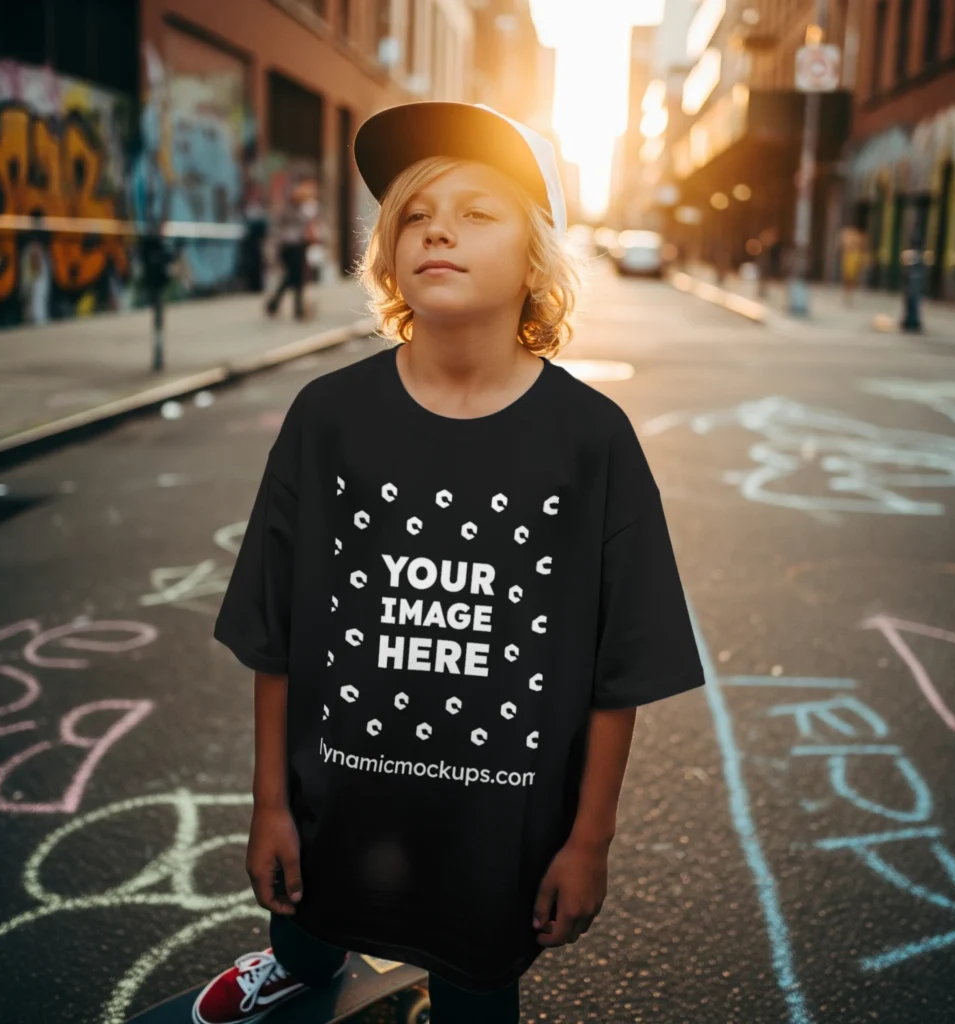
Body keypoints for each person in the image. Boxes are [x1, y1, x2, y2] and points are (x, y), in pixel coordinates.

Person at [199, 100, 706, 1024]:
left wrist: (589, 840)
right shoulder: (328, 417)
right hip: (334, 803)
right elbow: (272, 633)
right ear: (390, 251)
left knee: (477, 995)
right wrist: (270, 803)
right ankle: (299, 966)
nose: (439, 228)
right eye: (416, 213)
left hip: (497, 835)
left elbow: (619, 668)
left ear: (538, 256)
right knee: (306, 926)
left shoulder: (591, 440)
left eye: (479, 212)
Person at [265, 178, 319, 320]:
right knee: (295, 277)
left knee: (293, 277)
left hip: (298, 245)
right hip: (289, 247)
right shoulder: (286, 209)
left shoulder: (304, 207)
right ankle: (295, 309)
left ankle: (278, 305)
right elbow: (276, 229)